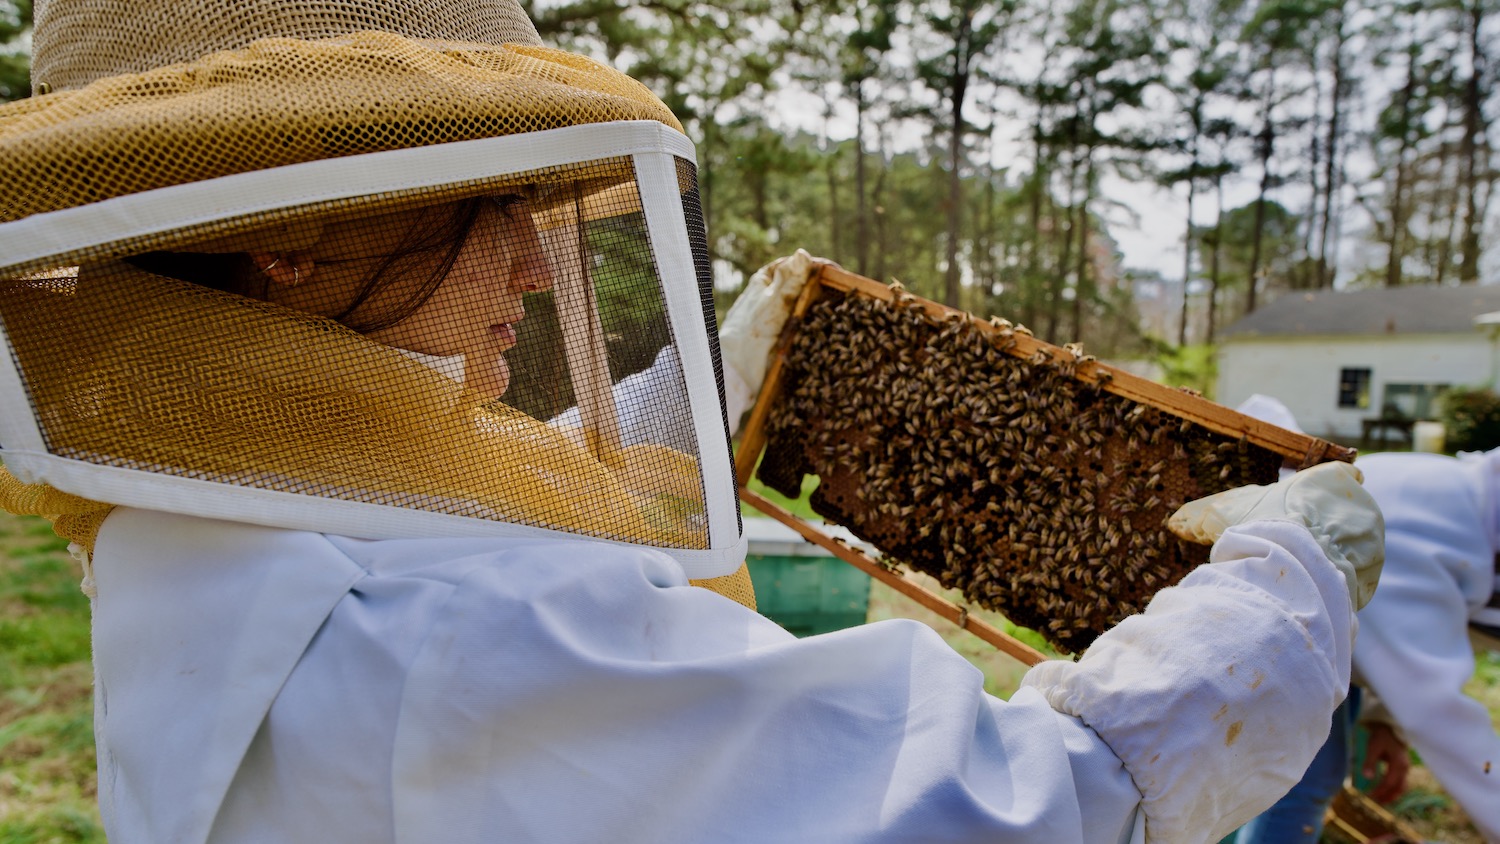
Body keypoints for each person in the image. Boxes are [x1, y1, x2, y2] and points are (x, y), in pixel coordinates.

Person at [0, 3, 1383, 843]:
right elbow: (1027, 806)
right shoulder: (458, 645)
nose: (540, 269)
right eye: (496, 209)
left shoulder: (189, 523)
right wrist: (1281, 592)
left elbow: (479, 477)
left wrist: (712, 389)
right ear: (294, 240)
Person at [1230, 398, 1500, 844]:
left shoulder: (1451, 502)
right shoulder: (1430, 528)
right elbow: (1435, 705)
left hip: (1328, 624)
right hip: (1289, 623)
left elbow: (1392, 631)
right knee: (1301, 783)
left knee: (1303, 779)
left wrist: (1382, 719)